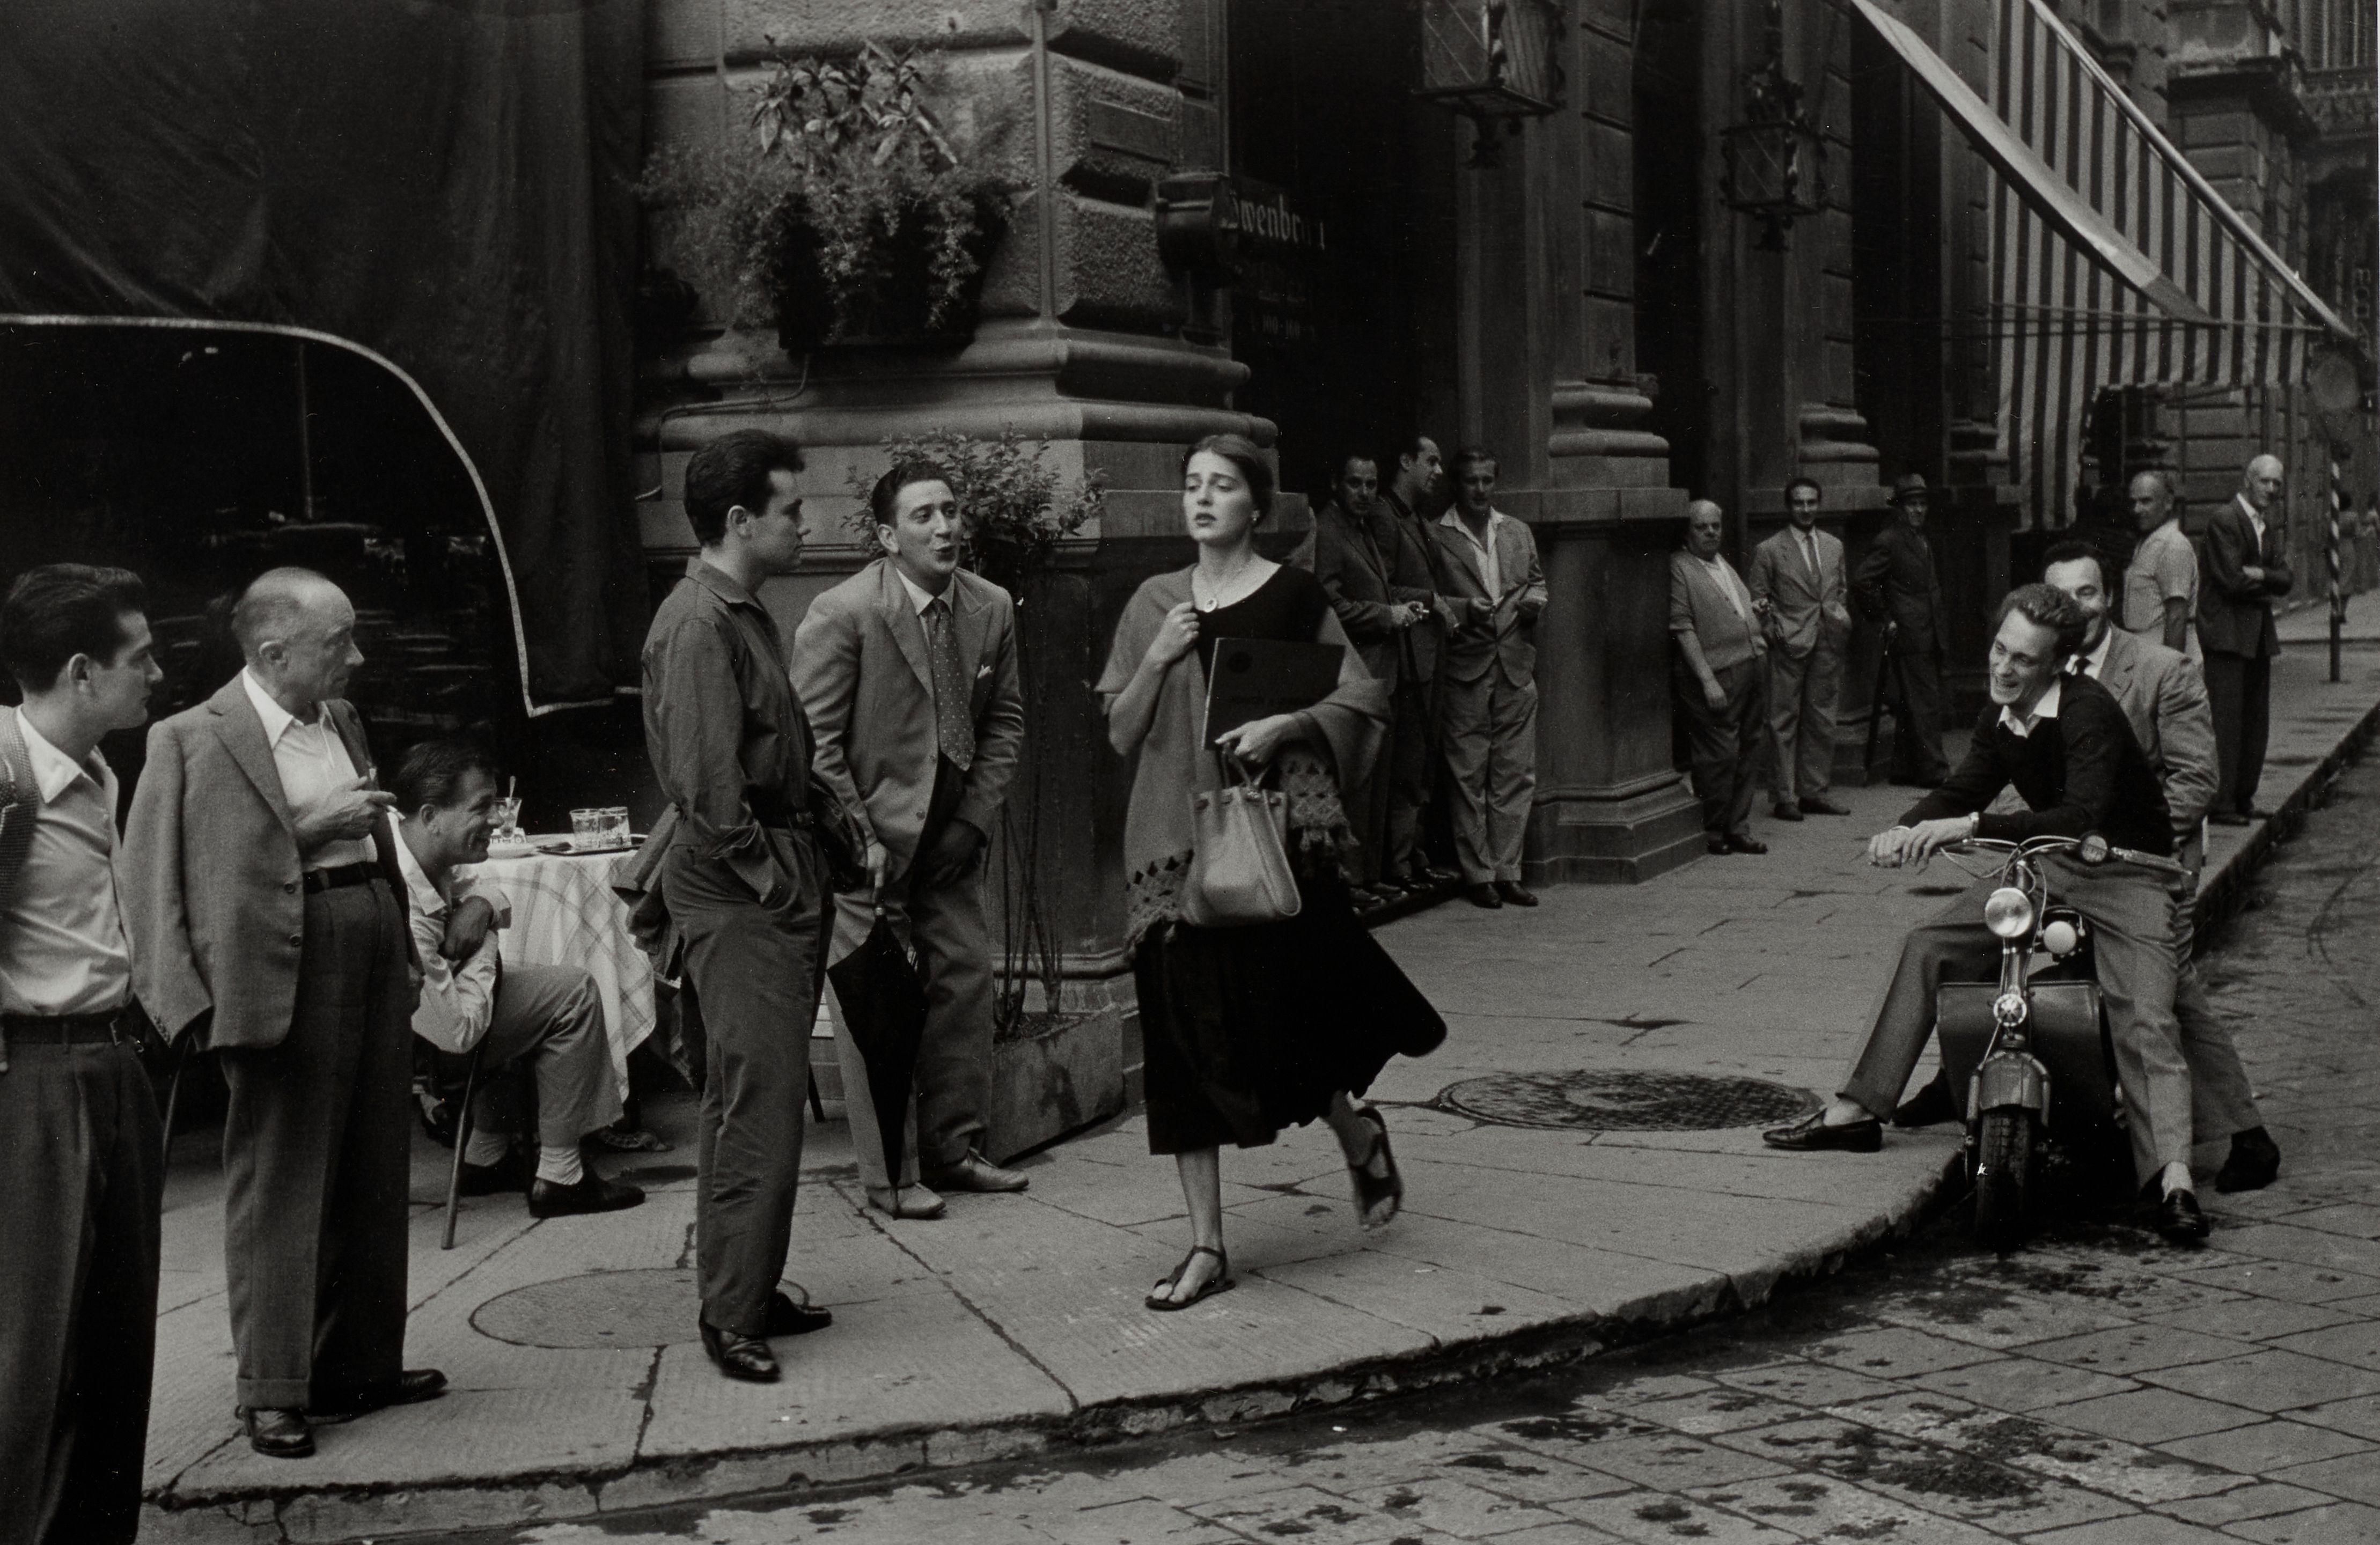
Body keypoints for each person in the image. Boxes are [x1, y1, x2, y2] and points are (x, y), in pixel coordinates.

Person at [1098, 432, 1445, 1311]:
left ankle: (1353, 1128)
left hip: (1276, 841)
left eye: (1222, 486)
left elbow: (1361, 695)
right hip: (1174, 850)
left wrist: (1285, 727)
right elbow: (1119, 730)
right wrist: (1158, 656)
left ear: (1258, 506)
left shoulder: (1292, 596)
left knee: (1284, 1025)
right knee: (1182, 1049)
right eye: (1192, 485)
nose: (1202, 499)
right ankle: (1206, 1245)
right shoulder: (1153, 602)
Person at [1763, 584, 2209, 1245]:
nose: (2003, 668)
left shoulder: (2087, 711)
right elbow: (1963, 784)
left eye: (2022, 661)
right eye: (2000, 650)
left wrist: (1964, 827)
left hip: (2126, 873)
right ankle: (1856, 1109)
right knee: (1927, 943)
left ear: (2055, 666)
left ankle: (2171, 1181)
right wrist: (1905, 828)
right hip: (2046, 868)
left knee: (2145, 1016)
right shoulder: (1999, 716)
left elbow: (2078, 814)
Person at [123, 567, 443, 1458]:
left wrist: (407, 952)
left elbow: (377, 842)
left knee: (375, 1162)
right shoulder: (189, 740)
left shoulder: (340, 719)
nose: (359, 657)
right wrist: (184, 1011)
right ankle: (272, 1390)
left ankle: (361, 1364)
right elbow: (152, 881)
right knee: (281, 1178)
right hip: (277, 960)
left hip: (367, 938)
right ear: (272, 651)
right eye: (339, 643)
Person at [638, 429, 834, 1384]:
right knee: (757, 1103)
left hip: (763, 876)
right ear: (738, 520)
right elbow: (712, 793)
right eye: (793, 510)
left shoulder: (735, 612)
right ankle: (732, 1314)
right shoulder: (698, 625)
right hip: (744, 886)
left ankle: (746, 1288)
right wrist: (776, 878)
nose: (806, 525)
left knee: (750, 1098)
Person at [793, 460, 1030, 1220]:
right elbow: (815, 744)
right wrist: (861, 839)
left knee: (963, 983)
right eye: (924, 515)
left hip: (950, 839)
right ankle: (891, 1177)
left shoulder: (990, 607)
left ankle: (955, 1151)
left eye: (952, 511)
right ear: (889, 536)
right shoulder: (845, 612)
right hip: (866, 849)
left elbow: (1005, 722)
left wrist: (971, 821)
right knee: (880, 1010)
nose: (945, 527)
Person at [0, 566, 164, 1544]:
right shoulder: (8, 780)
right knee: (33, 1358)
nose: (155, 673)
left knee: (113, 1350)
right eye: (138, 657)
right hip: (35, 1081)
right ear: (79, 670)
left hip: (112, 1069)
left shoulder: (99, 774)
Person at [389, 739, 645, 1217]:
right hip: (423, 1049)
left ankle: (486, 1155)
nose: (497, 820)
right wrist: (484, 937)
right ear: (430, 816)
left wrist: (482, 906)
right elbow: (459, 1034)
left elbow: (482, 889)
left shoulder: (412, 846)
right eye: (482, 808)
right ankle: (562, 1175)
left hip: (431, 1019)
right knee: (573, 994)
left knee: (527, 989)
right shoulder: (408, 902)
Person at [1310, 452, 1429, 903]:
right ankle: (1350, 881)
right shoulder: (1329, 531)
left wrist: (1400, 609)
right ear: (1336, 484)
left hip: (1383, 670)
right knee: (1357, 783)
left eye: (1371, 485)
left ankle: (1369, 874)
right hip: (1356, 672)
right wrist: (1387, 615)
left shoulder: (1360, 529)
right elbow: (1329, 605)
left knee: (1379, 780)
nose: (1364, 493)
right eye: (1355, 484)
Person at [1431, 448, 1547, 908]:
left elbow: (1537, 581)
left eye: (1487, 481)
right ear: (1457, 486)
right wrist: (1462, 610)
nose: (1480, 490)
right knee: (1468, 772)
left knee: (1515, 772)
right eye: (1471, 481)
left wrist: (1536, 601)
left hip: (1516, 663)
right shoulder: (1437, 536)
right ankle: (1477, 874)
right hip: (1466, 664)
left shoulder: (1516, 531)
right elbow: (1430, 596)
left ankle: (1508, 870)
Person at [1376, 436, 1459, 889]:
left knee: (1422, 760)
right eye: (1431, 461)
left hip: (1428, 654)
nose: (1439, 471)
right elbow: (1380, 587)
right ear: (1405, 461)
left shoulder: (1417, 520)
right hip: (1404, 658)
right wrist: (1431, 600)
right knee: (1407, 762)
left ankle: (1415, 853)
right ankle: (1401, 863)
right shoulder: (1385, 519)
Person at [1749, 477, 1853, 824]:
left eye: (1811, 503)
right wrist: (1773, 630)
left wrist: (1839, 618)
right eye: (1799, 503)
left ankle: (1814, 792)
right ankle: (1784, 796)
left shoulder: (1834, 546)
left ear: (1819, 504)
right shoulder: (1770, 549)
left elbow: (1840, 589)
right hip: (1789, 643)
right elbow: (1758, 599)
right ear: (1788, 506)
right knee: (1783, 719)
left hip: (1827, 639)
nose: (1806, 509)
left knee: (1822, 717)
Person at [1671, 499, 1771, 856]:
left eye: (1716, 526)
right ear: (1688, 531)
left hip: (1752, 664)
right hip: (1718, 674)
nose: (1711, 532)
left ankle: (1738, 827)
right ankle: (1714, 828)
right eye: (1702, 527)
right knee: (1719, 754)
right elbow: (1683, 628)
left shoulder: (1721, 563)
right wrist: (1707, 680)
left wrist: (1753, 612)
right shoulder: (1681, 567)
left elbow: (1728, 607)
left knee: (1748, 748)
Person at [2201, 453, 2294, 825]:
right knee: (2227, 721)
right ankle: (2222, 803)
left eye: (2277, 484)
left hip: (2255, 636)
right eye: (2265, 482)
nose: (2271, 490)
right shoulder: (2225, 519)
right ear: (2247, 480)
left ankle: (2243, 798)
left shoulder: (2265, 526)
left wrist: (2262, 575)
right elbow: (2231, 580)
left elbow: (2287, 580)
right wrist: (2267, 582)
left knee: (2255, 721)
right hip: (2226, 635)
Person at [1853, 473, 1952, 786]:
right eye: (1912, 505)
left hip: (1929, 629)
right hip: (1909, 633)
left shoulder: (1920, 537)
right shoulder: (1890, 539)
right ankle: (1935, 772)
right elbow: (1862, 581)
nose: (1918, 511)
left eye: (1923, 504)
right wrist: (1885, 618)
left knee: (1914, 702)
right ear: (1899, 508)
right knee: (1925, 702)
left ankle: (1905, 769)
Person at [2121, 469, 2197, 656]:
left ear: (2168, 503)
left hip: (2160, 655)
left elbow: (2177, 616)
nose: (2137, 509)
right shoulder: (2149, 541)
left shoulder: (2173, 545)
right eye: (2133, 502)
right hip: (2144, 652)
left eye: (2146, 501)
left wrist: (2171, 674)